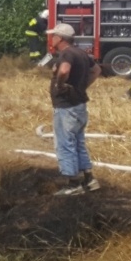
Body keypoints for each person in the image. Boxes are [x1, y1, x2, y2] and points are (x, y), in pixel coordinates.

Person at [45, 23, 100, 196]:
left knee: (65, 143)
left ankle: (72, 183)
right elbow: (96, 70)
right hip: (79, 105)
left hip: (66, 106)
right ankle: (89, 180)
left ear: (60, 38)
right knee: (78, 142)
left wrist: (60, 84)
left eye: (53, 35)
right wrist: (82, 87)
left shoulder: (67, 53)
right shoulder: (81, 53)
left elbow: (64, 70)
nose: (51, 38)